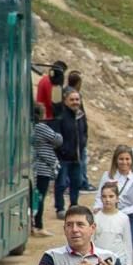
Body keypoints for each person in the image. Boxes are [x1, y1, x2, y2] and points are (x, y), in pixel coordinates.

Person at [51, 89, 87, 219]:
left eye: (77, 99)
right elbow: (56, 136)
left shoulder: (81, 115)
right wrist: (63, 150)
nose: (75, 102)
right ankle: (60, 208)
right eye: (72, 100)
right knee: (61, 183)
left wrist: (83, 145)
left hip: (77, 157)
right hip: (63, 158)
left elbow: (84, 132)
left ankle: (74, 206)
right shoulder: (61, 116)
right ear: (66, 101)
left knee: (76, 182)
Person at [31, 104, 62, 237]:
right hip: (42, 169)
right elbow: (57, 140)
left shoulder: (29, 127)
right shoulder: (41, 127)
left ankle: (32, 224)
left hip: (32, 167)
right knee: (40, 197)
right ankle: (39, 226)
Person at [93, 184, 133, 265]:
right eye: (104, 196)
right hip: (100, 262)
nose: (107, 200)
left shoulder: (123, 218)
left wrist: (129, 263)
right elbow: (91, 240)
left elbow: (127, 242)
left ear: (117, 198)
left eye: (111, 196)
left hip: (119, 262)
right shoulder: (95, 218)